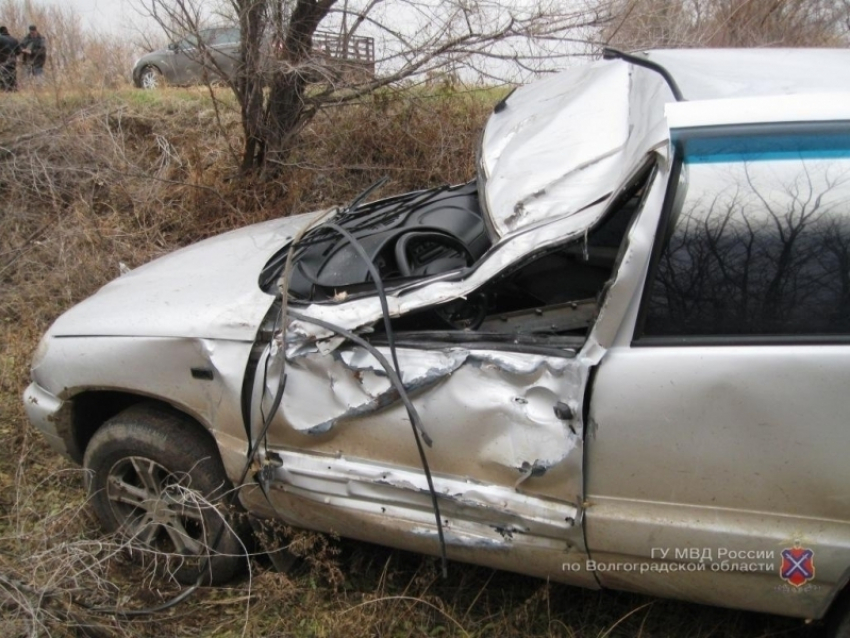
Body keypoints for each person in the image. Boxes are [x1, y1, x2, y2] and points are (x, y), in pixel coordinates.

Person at [0, 26, 21, 91]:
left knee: (2, 75)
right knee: (12, 75)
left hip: (2, 60)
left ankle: (3, 89)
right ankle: (12, 89)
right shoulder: (14, 39)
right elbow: (18, 52)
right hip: (12, 60)